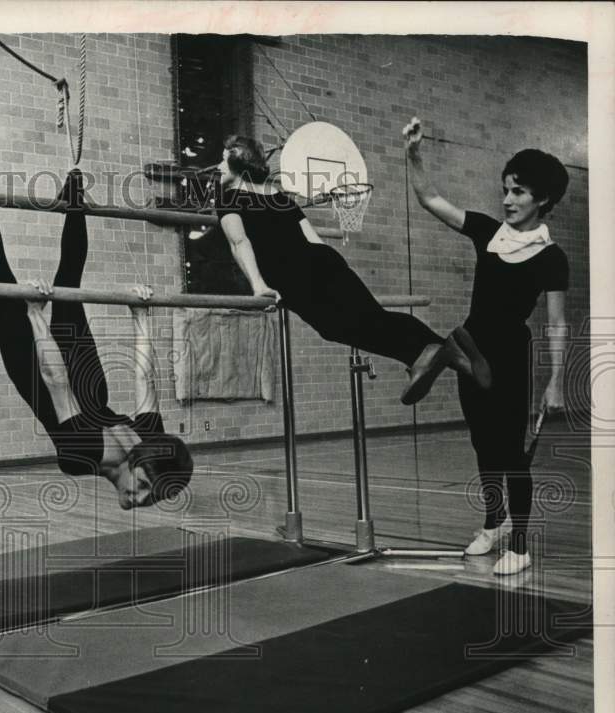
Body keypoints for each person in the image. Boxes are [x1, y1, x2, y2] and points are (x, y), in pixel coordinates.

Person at [0, 155, 192, 508]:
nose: (139, 498)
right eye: (147, 487)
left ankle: (55, 195)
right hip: (60, 375)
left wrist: (35, 314)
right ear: (145, 462)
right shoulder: (130, 445)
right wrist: (140, 314)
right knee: (31, 277)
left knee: (22, 278)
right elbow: (139, 380)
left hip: (51, 376)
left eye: (149, 496)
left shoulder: (86, 457)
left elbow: (58, 380)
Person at [403, 117, 569, 575]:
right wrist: (414, 155)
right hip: (468, 352)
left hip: (510, 357)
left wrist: (555, 380)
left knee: (511, 451)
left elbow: (557, 324)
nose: (507, 199)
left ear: (543, 200)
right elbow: (429, 198)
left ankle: (519, 543)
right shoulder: (486, 232)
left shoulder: (551, 258)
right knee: (482, 444)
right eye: (505, 190)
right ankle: (494, 522)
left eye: (517, 192)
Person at [214, 134, 491, 405]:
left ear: (238, 164)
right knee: (372, 318)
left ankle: (427, 353)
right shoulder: (279, 197)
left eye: (223, 162)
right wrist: (329, 268)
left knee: (340, 328)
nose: (218, 167)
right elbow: (312, 239)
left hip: (292, 274)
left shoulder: (228, 198)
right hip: (325, 260)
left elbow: (240, 242)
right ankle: (445, 350)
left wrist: (258, 285)